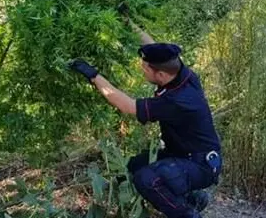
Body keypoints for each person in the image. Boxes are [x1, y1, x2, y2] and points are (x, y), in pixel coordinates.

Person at [69, 17, 222, 218]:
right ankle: (194, 199)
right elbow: (154, 47)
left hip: (200, 165)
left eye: (145, 68)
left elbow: (126, 105)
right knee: (133, 166)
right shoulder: (182, 74)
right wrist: (128, 22)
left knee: (146, 179)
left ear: (159, 75)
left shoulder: (177, 101)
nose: (142, 68)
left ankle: (186, 213)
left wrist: (92, 75)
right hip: (183, 155)